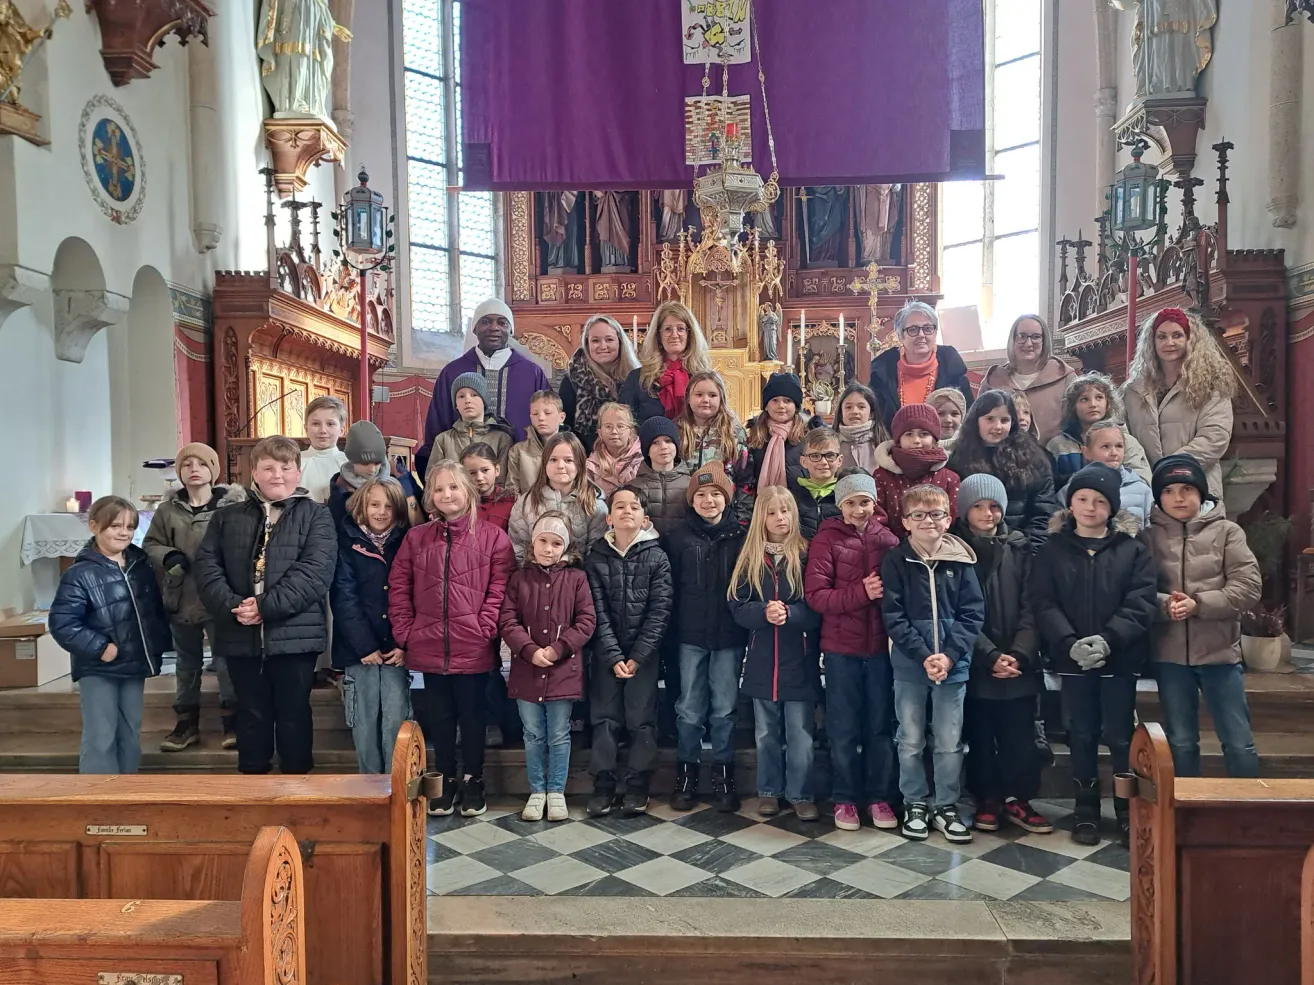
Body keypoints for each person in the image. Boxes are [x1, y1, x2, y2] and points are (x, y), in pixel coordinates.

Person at [193, 436, 338, 775]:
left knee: (294, 714)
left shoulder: (316, 516)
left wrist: (264, 607)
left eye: (285, 468)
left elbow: (315, 573)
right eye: (268, 468)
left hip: (294, 635)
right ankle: (254, 790)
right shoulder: (226, 517)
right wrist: (233, 606)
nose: (277, 475)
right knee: (251, 714)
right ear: (254, 472)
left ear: (297, 473)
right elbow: (206, 567)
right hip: (239, 632)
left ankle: (297, 790)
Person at [1031, 462, 1158, 846]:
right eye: (1082, 499)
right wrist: (1068, 642)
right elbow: (1043, 601)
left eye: (1100, 501)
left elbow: (1141, 602)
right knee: (1081, 733)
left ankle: (1123, 810)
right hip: (1071, 662)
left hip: (1117, 660)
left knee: (1120, 736)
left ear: (1112, 508)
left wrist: (1108, 640)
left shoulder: (1133, 550)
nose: (1090, 507)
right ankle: (1085, 808)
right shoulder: (1052, 550)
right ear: (1070, 504)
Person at [389, 460, 515, 817]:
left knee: (473, 717)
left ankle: (473, 780)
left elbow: (501, 588)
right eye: (439, 488)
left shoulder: (492, 537)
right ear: (431, 495)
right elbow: (399, 587)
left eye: (454, 487)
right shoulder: (417, 538)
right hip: (429, 643)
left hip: (472, 643)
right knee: (441, 718)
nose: (447, 494)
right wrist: (407, 631)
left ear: (468, 490)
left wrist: (484, 626)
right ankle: (442, 780)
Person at [1143, 454, 1262, 779]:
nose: (1178, 497)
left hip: (1220, 655)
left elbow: (1249, 585)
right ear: (1159, 497)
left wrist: (1199, 603)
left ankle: (1250, 815)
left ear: (1201, 492)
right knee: (1180, 742)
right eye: (1169, 491)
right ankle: (1183, 814)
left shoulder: (1227, 532)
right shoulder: (1148, 537)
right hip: (1169, 658)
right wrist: (1164, 604)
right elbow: (1133, 591)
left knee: (1238, 742)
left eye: (1186, 489)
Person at [881, 484, 984, 843]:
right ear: (906, 522)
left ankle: (946, 804)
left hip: (953, 666)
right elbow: (893, 616)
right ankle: (914, 802)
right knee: (910, 738)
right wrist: (925, 656)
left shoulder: (962, 559)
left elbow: (972, 614)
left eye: (936, 514)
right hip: (911, 666)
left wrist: (949, 655)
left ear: (948, 519)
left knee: (949, 741)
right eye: (919, 515)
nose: (929, 521)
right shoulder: (896, 559)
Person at [951, 474, 1052, 835]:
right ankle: (987, 798)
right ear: (964, 510)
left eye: (994, 506)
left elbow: (1033, 604)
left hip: (1019, 659)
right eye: (978, 506)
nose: (987, 513)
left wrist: (1020, 654)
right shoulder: (954, 549)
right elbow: (957, 611)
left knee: (1019, 736)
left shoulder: (1021, 547)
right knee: (981, 736)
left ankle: (1019, 799)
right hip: (977, 659)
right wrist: (990, 655)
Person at [804, 473, 900, 832]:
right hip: (841, 650)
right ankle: (844, 798)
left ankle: (879, 796)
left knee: (878, 727)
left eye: (865, 502)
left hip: (879, 650)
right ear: (840, 506)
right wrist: (861, 592)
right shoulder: (827, 540)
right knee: (842, 728)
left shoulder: (888, 541)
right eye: (851, 503)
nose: (859, 509)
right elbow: (817, 597)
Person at [50, 496, 171, 774]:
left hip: (134, 664)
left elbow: (151, 611)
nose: (123, 532)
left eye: (129, 527)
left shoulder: (140, 566)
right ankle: (97, 798)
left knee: (130, 732)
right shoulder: (80, 573)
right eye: (115, 526)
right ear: (94, 526)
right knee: (101, 735)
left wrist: (157, 644)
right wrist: (100, 646)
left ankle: (125, 792)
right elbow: (63, 622)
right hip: (99, 666)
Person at [729, 486, 822, 820]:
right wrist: (763, 614)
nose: (779, 518)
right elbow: (737, 606)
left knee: (800, 733)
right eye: (771, 512)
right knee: (766, 733)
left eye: (785, 511)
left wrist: (793, 615)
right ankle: (768, 790)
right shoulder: (750, 556)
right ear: (760, 518)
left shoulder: (808, 553)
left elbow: (818, 605)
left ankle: (801, 793)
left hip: (799, 660)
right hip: (762, 660)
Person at [143, 442, 242, 752]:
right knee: (187, 662)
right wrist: (169, 556)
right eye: (187, 465)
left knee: (226, 659)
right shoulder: (167, 510)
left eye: (201, 464)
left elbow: (242, 544)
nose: (194, 469)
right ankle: (186, 723)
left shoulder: (230, 507)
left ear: (212, 470)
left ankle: (233, 721)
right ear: (180, 473)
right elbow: (151, 544)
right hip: (181, 595)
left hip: (219, 595)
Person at [499, 510, 597, 822]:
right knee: (532, 733)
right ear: (532, 542)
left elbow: (586, 621)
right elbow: (507, 619)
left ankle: (556, 791)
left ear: (566, 548)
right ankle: (536, 790)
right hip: (527, 669)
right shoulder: (519, 578)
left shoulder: (577, 579)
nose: (548, 548)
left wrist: (557, 649)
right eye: (543, 541)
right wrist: (528, 649)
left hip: (562, 671)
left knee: (558, 733)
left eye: (556, 543)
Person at [585, 485, 673, 816]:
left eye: (634, 507)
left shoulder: (657, 557)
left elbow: (660, 610)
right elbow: (595, 610)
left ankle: (638, 781)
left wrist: (637, 656)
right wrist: (612, 654)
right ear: (608, 517)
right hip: (607, 654)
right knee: (605, 717)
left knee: (641, 718)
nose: (626, 511)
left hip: (643, 656)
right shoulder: (596, 556)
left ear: (644, 518)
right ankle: (604, 781)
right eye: (619, 506)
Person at [666, 462, 747, 812]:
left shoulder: (741, 537)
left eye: (716, 494)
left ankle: (724, 774)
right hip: (690, 635)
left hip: (729, 635)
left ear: (726, 499)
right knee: (689, 708)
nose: (709, 500)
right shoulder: (680, 538)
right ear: (692, 500)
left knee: (725, 709)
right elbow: (670, 590)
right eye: (701, 494)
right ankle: (686, 774)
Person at [330, 476, 411, 774]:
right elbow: (343, 596)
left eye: (389, 506)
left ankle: (396, 787)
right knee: (363, 720)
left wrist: (403, 643)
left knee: (395, 719)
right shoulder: (346, 541)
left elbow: (411, 595)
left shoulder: (406, 541)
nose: (381, 512)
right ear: (362, 506)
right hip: (357, 649)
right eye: (374, 504)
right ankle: (370, 788)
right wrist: (364, 645)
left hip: (395, 650)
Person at [420, 298, 552, 472]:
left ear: (511, 330)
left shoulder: (532, 373)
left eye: (502, 322)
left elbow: (548, 425)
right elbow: (437, 426)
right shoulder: (452, 372)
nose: (494, 327)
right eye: (485, 322)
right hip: (461, 475)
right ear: (474, 329)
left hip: (521, 470)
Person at [1123, 307, 1236, 507]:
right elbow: (1124, 438)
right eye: (1162, 336)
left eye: (1177, 335)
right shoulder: (1133, 391)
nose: (1169, 343)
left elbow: (1215, 437)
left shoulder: (1212, 386)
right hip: (1147, 491)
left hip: (1196, 488)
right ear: (1152, 342)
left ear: (1190, 340)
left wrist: (1171, 470)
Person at [948, 390, 1059, 552]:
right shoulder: (958, 460)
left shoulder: (1034, 458)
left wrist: (1032, 552)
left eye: (1005, 420)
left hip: (1021, 549)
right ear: (975, 421)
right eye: (990, 419)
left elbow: (1042, 512)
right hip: (971, 548)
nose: (998, 427)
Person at [868, 301, 975, 431]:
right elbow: (873, 423)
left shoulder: (953, 371)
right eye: (913, 329)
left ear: (935, 333)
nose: (921, 335)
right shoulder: (882, 374)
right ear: (900, 336)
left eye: (928, 328)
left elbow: (969, 420)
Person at [508, 433, 608, 562]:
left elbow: (596, 556)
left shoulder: (595, 506)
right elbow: (518, 550)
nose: (560, 466)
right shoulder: (525, 503)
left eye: (568, 460)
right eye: (553, 460)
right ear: (544, 464)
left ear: (580, 464)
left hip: (578, 579)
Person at [981, 314, 1078, 445]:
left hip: (1053, 459)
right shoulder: (994, 379)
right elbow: (977, 423)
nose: (1028, 343)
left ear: (1045, 341)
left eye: (1036, 337)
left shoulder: (1065, 377)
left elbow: (1079, 424)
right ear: (1013, 340)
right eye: (1022, 336)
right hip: (999, 458)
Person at [1048, 371, 1153, 488]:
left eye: (1099, 397)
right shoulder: (1058, 445)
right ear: (1073, 407)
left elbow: (1142, 481)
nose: (1093, 404)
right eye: (1084, 399)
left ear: (1108, 404)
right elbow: (1049, 485)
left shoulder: (1127, 442)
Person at [620, 301, 714, 424]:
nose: (674, 335)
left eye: (680, 329)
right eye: (668, 329)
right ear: (658, 336)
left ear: (689, 334)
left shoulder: (703, 377)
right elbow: (625, 423)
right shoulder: (638, 378)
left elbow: (719, 417)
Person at [874, 403, 961, 532]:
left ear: (934, 439)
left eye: (923, 434)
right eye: (909, 434)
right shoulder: (881, 476)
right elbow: (877, 520)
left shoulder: (950, 478)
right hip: (893, 547)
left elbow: (952, 519)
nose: (916, 440)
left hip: (938, 546)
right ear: (898, 440)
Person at [561, 315, 641, 454]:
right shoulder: (573, 380)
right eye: (595, 341)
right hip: (585, 458)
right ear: (587, 344)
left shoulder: (635, 378)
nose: (603, 346)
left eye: (609, 339)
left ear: (620, 342)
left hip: (630, 459)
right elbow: (565, 427)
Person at [1057, 421, 1153, 529]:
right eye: (1105, 446)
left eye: (1119, 446)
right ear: (1086, 452)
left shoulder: (1141, 488)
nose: (1114, 452)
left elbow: (1151, 531)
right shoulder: (1070, 490)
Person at [675, 370, 750, 484]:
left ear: (721, 399)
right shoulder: (676, 430)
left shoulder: (734, 432)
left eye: (712, 395)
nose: (705, 400)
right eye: (699, 395)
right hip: (682, 498)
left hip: (723, 499)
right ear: (688, 399)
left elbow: (745, 477)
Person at [431, 372, 515, 467]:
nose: (467, 400)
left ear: (484, 400)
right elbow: (433, 478)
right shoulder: (443, 440)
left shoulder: (502, 439)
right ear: (456, 404)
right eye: (461, 396)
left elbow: (504, 479)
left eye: (474, 395)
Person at [629, 416, 690, 539]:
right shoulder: (632, 487)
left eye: (668, 441)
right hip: (646, 552)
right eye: (655, 442)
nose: (663, 447)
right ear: (646, 450)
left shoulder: (691, 484)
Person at [748, 372, 808, 490]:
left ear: (796, 406)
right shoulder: (755, 437)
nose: (781, 405)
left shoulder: (807, 437)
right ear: (766, 405)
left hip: (798, 505)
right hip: (761, 504)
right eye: (775, 400)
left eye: (787, 400)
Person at [327, 421, 391, 531]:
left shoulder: (396, 480)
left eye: (377, 463)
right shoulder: (341, 490)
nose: (372, 470)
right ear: (351, 460)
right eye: (364, 464)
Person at [506, 390, 566, 495]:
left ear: (561, 417)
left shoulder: (573, 449)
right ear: (530, 417)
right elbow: (512, 492)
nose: (541, 418)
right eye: (535, 413)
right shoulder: (518, 451)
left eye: (547, 413)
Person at [790, 427, 844, 540]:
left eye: (830, 455)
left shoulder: (847, 495)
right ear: (803, 461)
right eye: (815, 456)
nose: (823, 462)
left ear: (839, 460)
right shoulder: (792, 496)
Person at [586, 402, 644, 498]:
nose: (614, 431)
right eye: (608, 426)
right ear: (600, 433)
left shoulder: (643, 460)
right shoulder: (590, 466)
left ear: (631, 432)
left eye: (620, 426)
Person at [834, 382, 891, 474]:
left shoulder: (883, 444)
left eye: (861, 407)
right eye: (848, 407)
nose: (855, 411)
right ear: (841, 413)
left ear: (871, 413)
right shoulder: (833, 444)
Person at [300, 395, 348, 504]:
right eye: (316, 424)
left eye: (330, 424)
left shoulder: (349, 464)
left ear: (341, 430)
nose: (322, 430)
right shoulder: (294, 462)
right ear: (306, 428)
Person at [461, 442, 516, 531]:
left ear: (497, 470)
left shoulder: (511, 502)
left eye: (485, 470)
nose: (479, 478)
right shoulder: (460, 504)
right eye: (472, 473)